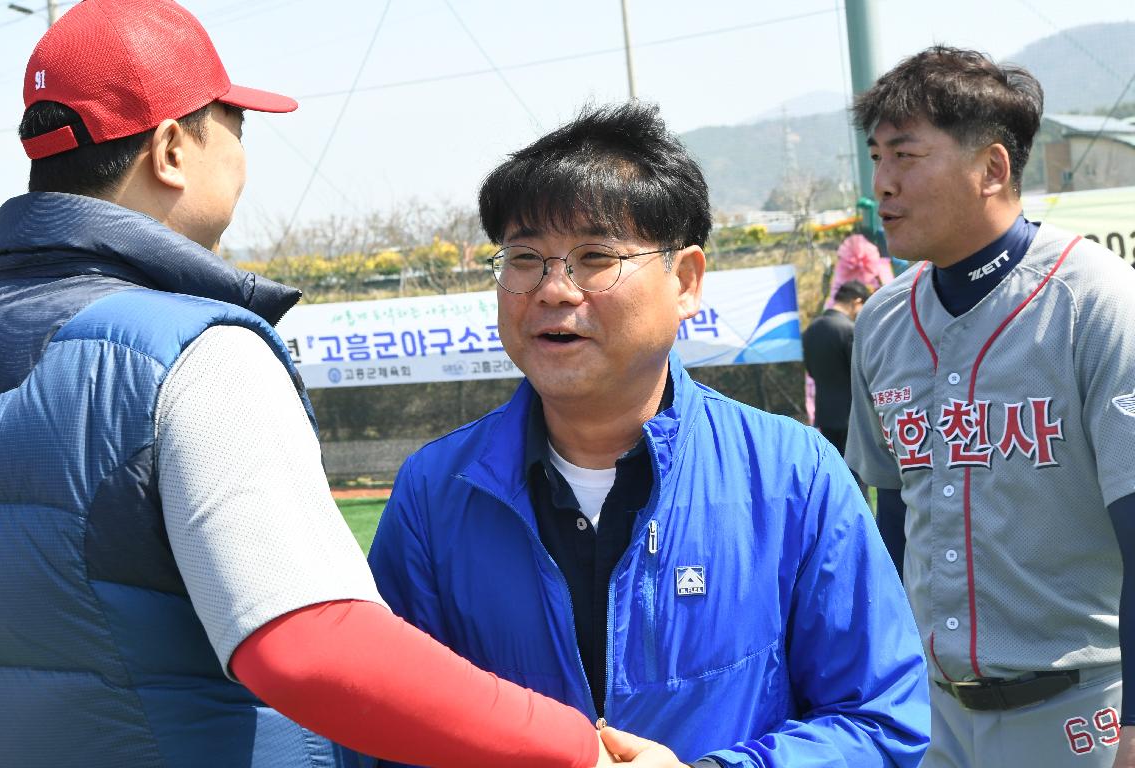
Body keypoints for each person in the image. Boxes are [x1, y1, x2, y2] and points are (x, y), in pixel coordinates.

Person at [0, 2, 634, 765]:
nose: (240, 152)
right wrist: (577, 750)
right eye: (233, 123)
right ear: (172, 148)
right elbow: (308, 643)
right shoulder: (195, 353)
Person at [366, 102, 930, 767]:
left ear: (685, 280)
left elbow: (882, 722)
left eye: (594, 257)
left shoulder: (791, 476)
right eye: (525, 258)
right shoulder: (435, 493)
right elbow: (384, 728)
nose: (552, 289)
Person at [845, 45, 1135, 767]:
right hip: (940, 715)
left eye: (906, 156)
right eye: (876, 157)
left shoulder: (1096, 300)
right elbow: (896, 514)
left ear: (993, 169)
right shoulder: (882, 320)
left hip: (1084, 711)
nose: (882, 184)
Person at [802, 279, 870, 456]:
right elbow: (860, 373)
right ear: (857, 302)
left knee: (835, 467)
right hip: (852, 415)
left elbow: (810, 370)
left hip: (825, 413)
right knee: (855, 473)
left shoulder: (811, 329)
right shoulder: (849, 329)